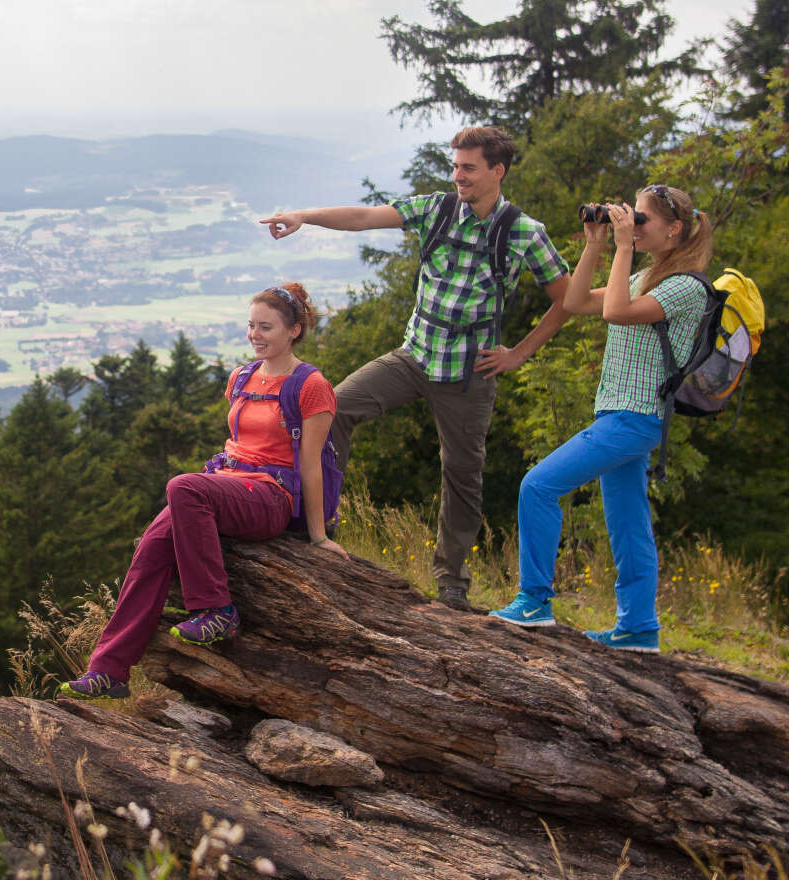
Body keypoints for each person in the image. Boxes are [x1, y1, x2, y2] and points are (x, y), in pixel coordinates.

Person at [260, 126, 570, 610]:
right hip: (414, 355)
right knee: (333, 410)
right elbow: (363, 217)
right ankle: (319, 530)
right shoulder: (436, 209)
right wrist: (304, 216)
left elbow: (566, 298)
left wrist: (520, 353)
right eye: (455, 166)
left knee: (463, 474)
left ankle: (451, 582)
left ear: (497, 170)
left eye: (468, 167)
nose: (458, 175)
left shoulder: (524, 233)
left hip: (471, 373)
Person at [60, 283, 346, 700]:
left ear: (294, 331)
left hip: (271, 496)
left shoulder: (311, 385)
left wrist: (319, 537)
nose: (255, 335)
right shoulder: (242, 376)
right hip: (229, 484)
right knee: (152, 548)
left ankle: (216, 609)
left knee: (183, 487)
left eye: (266, 327)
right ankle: (109, 670)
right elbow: (239, 442)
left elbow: (310, 466)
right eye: (251, 325)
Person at [489, 186, 712, 653]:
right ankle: (638, 629)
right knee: (629, 524)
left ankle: (533, 601)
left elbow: (614, 312)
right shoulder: (648, 275)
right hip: (619, 411)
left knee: (538, 486)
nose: (633, 224)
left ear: (674, 229)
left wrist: (623, 247)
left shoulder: (686, 287)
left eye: (642, 219)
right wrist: (595, 244)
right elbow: (573, 303)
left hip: (636, 416)